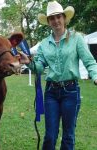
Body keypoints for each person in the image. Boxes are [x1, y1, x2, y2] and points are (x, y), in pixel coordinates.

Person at [19, 1, 97, 150]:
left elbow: (89, 61)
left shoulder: (76, 38)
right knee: (50, 135)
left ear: (64, 18)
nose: (56, 21)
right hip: (51, 93)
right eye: (52, 18)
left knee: (68, 135)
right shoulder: (44, 44)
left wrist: (95, 75)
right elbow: (40, 66)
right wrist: (28, 62)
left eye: (58, 17)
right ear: (48, 22)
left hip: (71, 92)